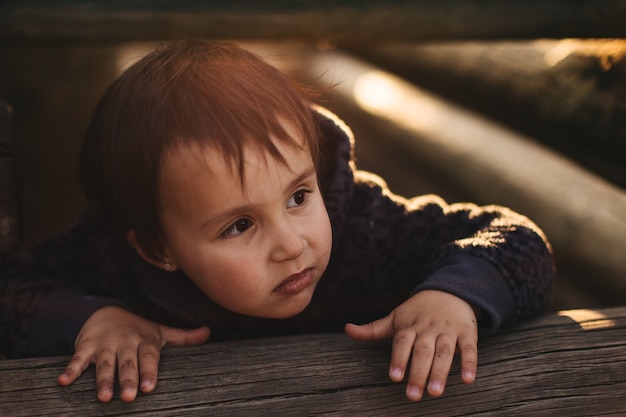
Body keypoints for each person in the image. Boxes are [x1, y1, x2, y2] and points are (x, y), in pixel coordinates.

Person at [0, 41, 554, 404]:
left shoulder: (365, 227)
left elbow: (519, 242)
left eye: (297, 196)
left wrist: (453, 295)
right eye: (239, 226)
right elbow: (12, 292)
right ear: (156, 247)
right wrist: (94, 319)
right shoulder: (109, 261)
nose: (292, 245)